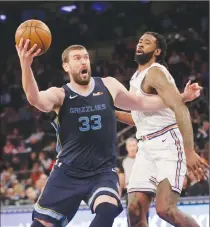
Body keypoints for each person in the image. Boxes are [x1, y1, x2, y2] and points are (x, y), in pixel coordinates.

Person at [16, 38, 202, 227]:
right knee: (41, 224)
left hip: (102, 171)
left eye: (86, 57)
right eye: (77, 58)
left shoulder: (108, 86)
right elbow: (35, 98)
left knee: (108, 209)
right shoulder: (60, 95)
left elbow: (143, 104)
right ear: (66, 66)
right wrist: (26, 65)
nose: (83, 61)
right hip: (68, 172)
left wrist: (181, 97)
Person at [115, 32, 209, 227]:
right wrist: (112, 112)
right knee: (134, 209)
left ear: (157, 51)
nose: (140, 44)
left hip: (168, 143)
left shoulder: (156, 72)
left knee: (165, 209)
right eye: (139, 41)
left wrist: (189, 150)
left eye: (147, 42)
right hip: (145, 147)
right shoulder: (136, 77)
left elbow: (180, 108)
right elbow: (137, 118)